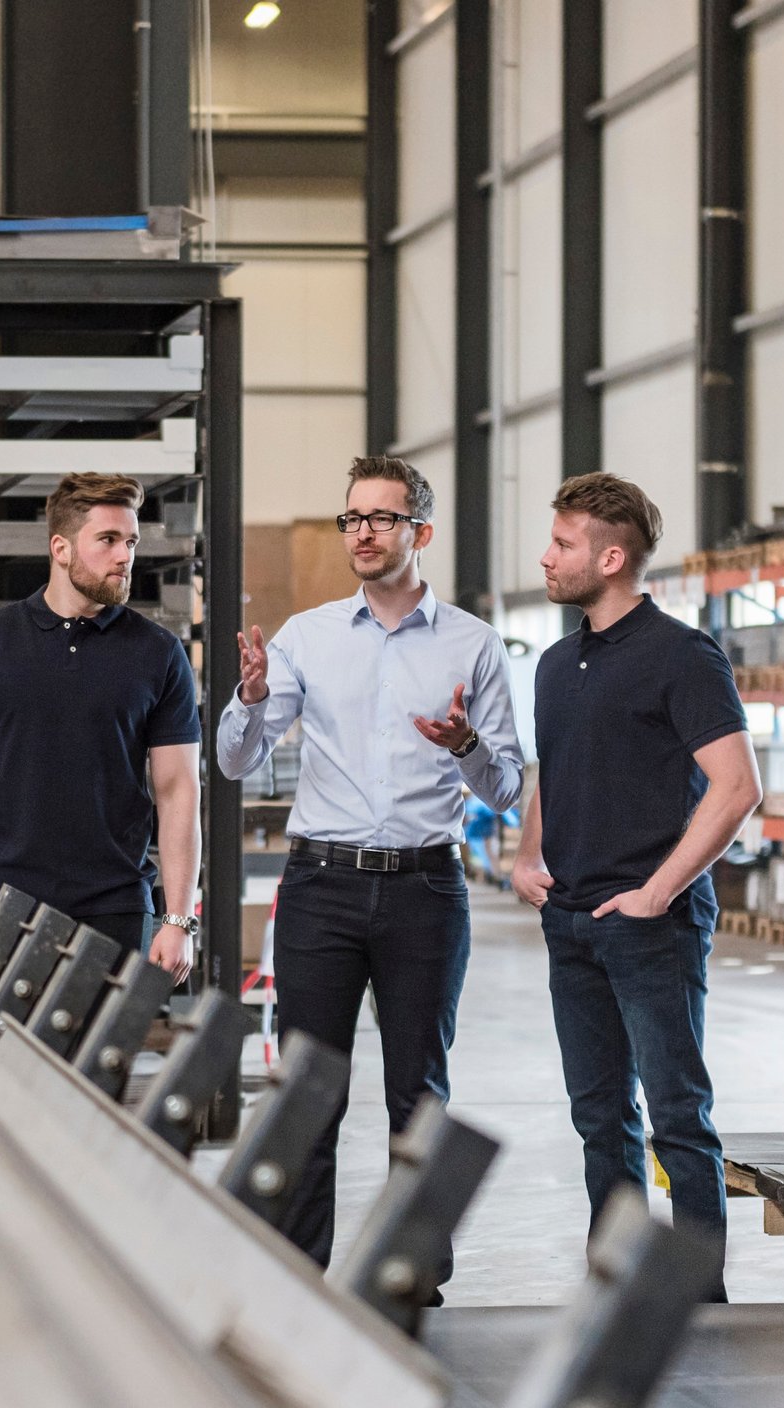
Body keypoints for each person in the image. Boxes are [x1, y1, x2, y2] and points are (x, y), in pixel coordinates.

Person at [217, 455, 524, 1295]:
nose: (362, 532)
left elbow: (506, 786)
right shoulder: (306, 638)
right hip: (322, 887)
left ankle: (412, 1275)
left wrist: (465, 745)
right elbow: (236, 762)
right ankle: (296, 1270)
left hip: (426, 891)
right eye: (353, 518)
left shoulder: (472, 644)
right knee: (308, 1086)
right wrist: (250, 700)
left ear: (421, 532)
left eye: (382, 518)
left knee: (417, 1093)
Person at [512, 472, 762, 1302]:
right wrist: (528, 854)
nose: (547, 558)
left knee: (678, 1121)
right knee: (599, 1122)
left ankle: (699, 1306)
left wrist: (658, 892)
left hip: (651, 928)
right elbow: (555, 771)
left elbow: (736, 786)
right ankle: (617, 1292)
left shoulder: (682, 655)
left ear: (611, 558)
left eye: (563, 544)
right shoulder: (557, 664)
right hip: (571, 922)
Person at [0, 472, 200, 984]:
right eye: (108, 540)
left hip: (116, 908)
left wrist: (179, 918)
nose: (124, 557)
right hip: (4, 901)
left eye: (131, 542)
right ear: (61, 548)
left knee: (104, 1042)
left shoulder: (159, 653)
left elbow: (178, 790)